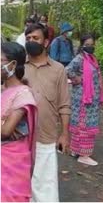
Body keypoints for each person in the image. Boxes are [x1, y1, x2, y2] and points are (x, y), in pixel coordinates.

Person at [24, 23, 71, 202]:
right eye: (28, 39)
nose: (31, 42)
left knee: (46, 188)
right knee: (21, 186)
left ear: (46, 42)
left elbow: (64, 105)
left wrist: (64, 134)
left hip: (46, 138)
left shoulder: (58, 70)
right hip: (20, 137)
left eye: (35, 38)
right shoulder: (18, 67)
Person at [1, 42, 37, 202]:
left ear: (12, 64)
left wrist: (4, 123)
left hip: (11, 163)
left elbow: (5, 132)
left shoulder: (23, 95)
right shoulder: (3, 91)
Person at [66, 34, 103, 166]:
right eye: (87, 44)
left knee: (81, 124)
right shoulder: (79, 59)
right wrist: (77, 79)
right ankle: (84, 154)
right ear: (82, 45)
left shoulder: (92, 59)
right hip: (83, 98)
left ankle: (75, 150)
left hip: (91, 97)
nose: (90, 47)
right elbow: (67, 70)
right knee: (84, 125)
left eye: (92, 44)